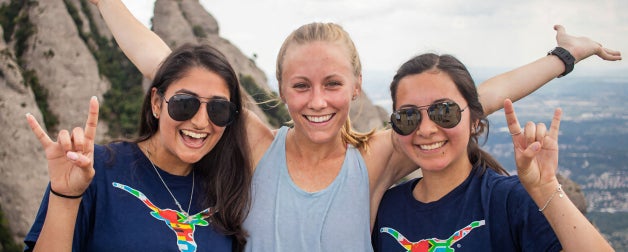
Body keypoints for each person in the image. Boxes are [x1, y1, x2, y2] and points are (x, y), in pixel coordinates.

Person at [89, 1, 621, 250]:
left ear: (357, 84)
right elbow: (161, 61)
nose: (317, 102)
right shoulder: (256, 144)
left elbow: (468, 100)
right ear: (279, 90)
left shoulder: (374, 156)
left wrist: (562, 57)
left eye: (332, 84)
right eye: (300, 86)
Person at [372, 53, 614, 251]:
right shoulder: (386, 209)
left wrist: (546, 187)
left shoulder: (510, 201)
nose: (426, 129)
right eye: (408, 116)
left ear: (475, 120)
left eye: (444, 112)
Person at [23, 44, 252, 252]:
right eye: (185, 103)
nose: (201, 122)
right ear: (156, 103)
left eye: (219, 109)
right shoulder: (96, 169)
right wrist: (65, 196)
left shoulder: (226, 194)